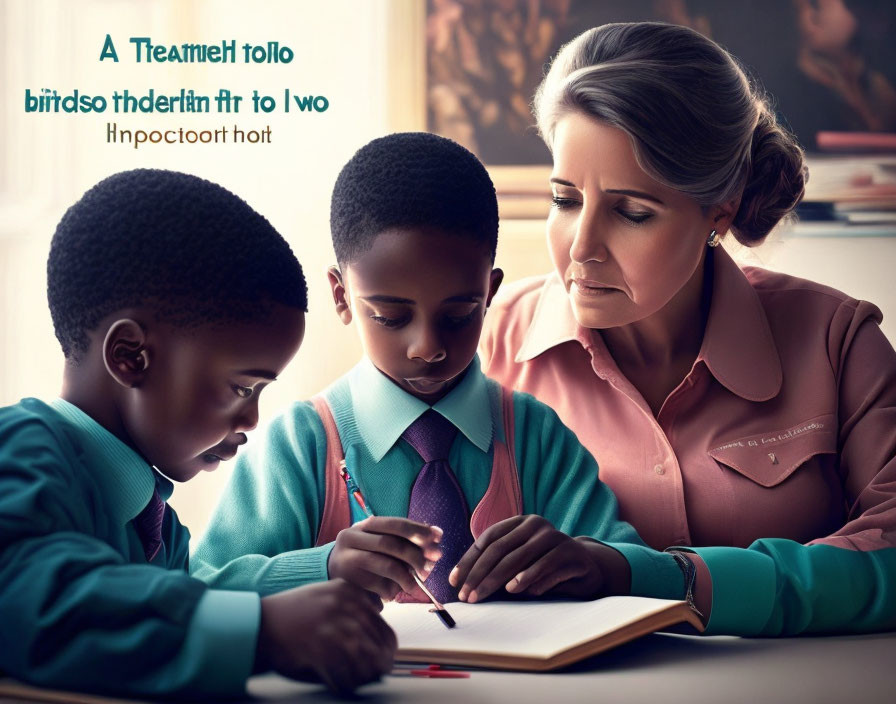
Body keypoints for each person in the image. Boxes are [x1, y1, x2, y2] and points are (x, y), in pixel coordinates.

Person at [480, 22, 896, 636]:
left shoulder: (838, 342)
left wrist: (669, 580)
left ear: (718, 213)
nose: (582, 247)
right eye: (565, 200)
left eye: (632, 212)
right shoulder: (484, 344)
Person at [192, 132, 689, 609]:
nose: (427, 348)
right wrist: (322, 567)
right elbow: (201, 589)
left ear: (489, 292)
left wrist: (589, 562)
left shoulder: (537, 437)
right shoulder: (301, 445)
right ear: (341, 296)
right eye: (391, 317)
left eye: (458, 316)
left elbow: (629, 569)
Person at [0, 169, 396, 699]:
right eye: (242, 388)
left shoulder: (156, 523)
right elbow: (31, 597)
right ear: (130, 356)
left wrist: (324, 567)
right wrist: (263, 630)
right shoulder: (19, 453)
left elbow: (188, 593)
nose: (254, 419)